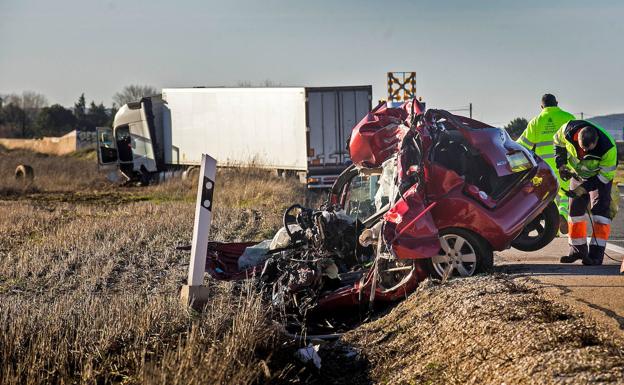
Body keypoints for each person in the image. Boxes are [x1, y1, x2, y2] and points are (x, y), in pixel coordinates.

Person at [555, 121, 618, 265]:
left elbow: (604, 177)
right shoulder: (567, 130)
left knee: (600, 214)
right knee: (574, 213)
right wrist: (562, 164)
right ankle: (577, 251)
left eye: (589, 150)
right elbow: (557, 141)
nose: (585, 153)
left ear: (596, 142)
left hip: (599, 178)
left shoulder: (608, 148)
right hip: (578, 175)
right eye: (583, 149)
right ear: (577, 138)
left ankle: (596, 256)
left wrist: (583, 188)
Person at [517, 94, 576, 233]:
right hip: (565, 164)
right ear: (557, 103)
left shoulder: (536, 122)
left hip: (545, 167)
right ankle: (563, 214)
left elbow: (522, 145)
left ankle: (553, 228)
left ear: (541, 106)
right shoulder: (568, 118)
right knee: (566, 193)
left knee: (550, 196)